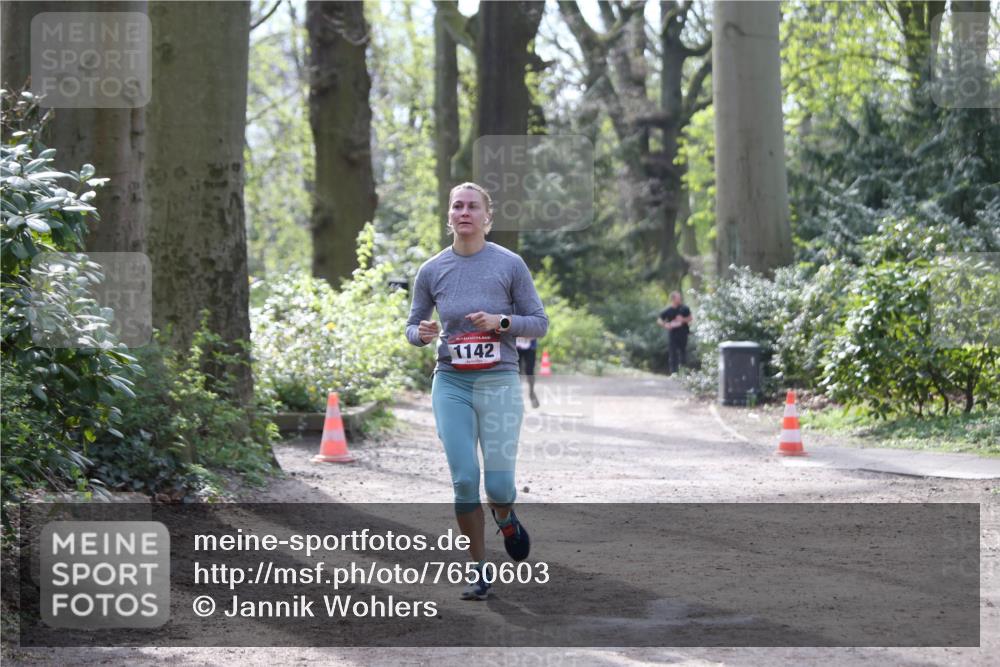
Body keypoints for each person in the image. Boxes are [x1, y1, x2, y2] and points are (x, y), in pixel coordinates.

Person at [405, 182, 549, 600]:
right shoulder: (432, 270)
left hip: (498, 380)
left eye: (472, 206)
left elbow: (538, 322)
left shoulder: (509, 264)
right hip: (450, 381)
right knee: (465, 480)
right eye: (457, 206)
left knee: (499, 487)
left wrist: (501, 323)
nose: (464, 212)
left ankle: (506, 518)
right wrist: (423, 333)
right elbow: (413, 326)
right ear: (449, 216)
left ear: (487, 217)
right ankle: (479, 570)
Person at [657, 291, 693, 375]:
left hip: (683, 334)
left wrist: (683, 320)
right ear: (673, 299)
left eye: (680, 297)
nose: (680, 298)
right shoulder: (668, 310)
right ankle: (674, 372)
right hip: (673, 334)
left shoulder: (684, 308)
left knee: (683, 352)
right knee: (673, 353)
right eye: (678, 297)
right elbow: (659, 320)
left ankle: (683, 372)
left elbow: (690, 318)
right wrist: (665, 325)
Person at [515, 336, 541, 408]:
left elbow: (541, 327)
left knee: (530, 371)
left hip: (530, 345)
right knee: (516, 371)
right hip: (515, 345)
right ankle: (517, 396)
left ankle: (531, 392)